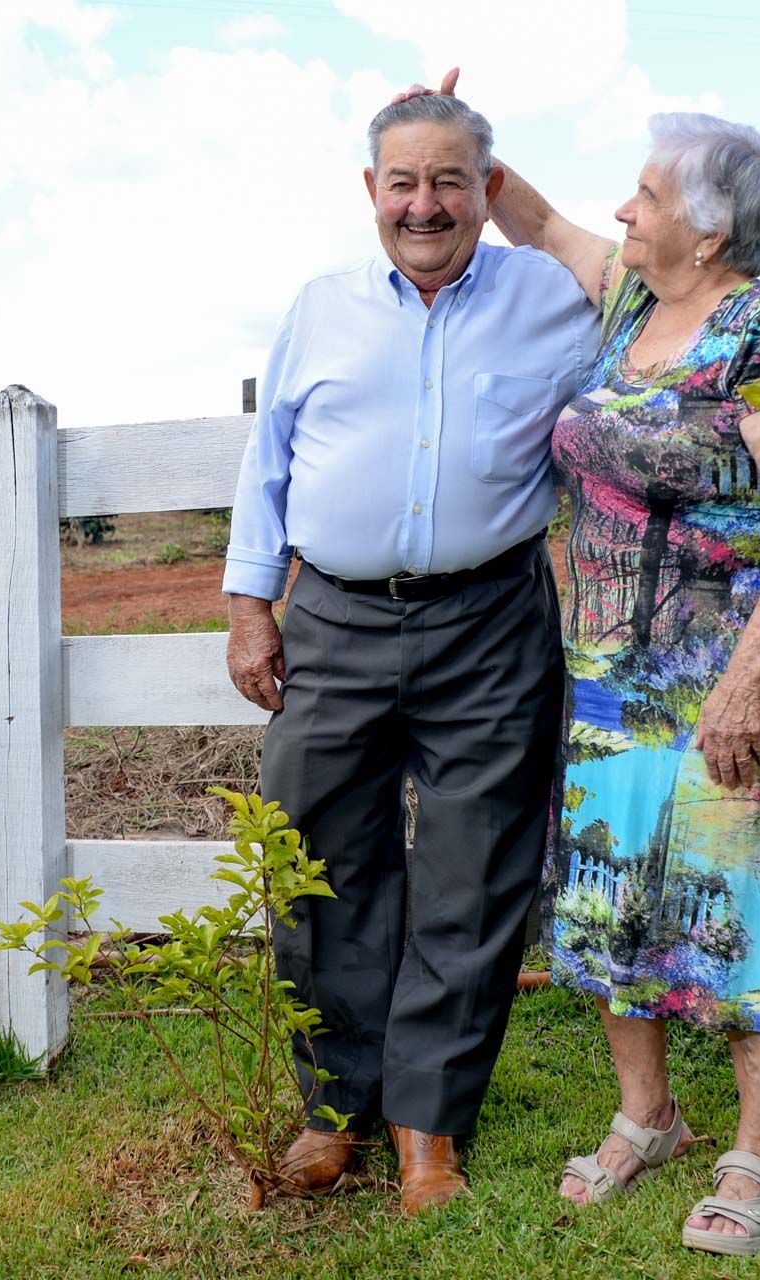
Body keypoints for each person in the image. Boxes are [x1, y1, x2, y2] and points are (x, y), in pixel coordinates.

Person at [462, 89, 760, 1258]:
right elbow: (529, 218)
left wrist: (744, 683)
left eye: (646, 196)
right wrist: (460, 132)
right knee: (608, 888)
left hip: (737, 671)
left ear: (711, 231)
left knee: (748, 902)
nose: (622, 210)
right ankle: (649, 1115)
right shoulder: (634, 294)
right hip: (604, 667)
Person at [221, 90, 595, 1215]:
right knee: (323, 860)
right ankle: (335, 1110)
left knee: (473, 872)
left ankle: (428, 1126)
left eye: (448, 180)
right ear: (371, 191)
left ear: (488, 189)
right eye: (402, 181)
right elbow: (269, 457)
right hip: (332, 617)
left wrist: (534, 201)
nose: (423, 205)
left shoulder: (557, 298)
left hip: (492, 622)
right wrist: (251, 603)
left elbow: (650, 289)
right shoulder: (321, 305)